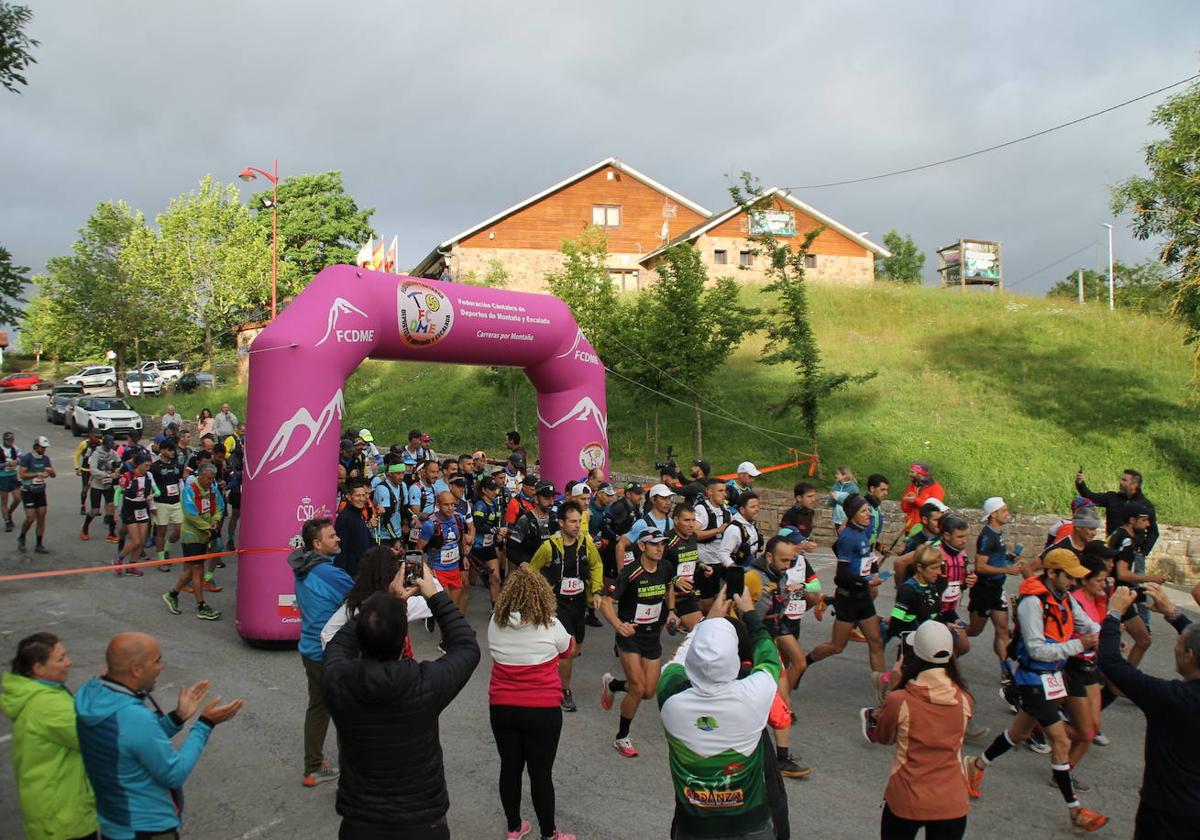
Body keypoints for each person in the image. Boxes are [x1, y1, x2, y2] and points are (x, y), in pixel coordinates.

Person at [322, 565, 481, 840]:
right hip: (422, 821)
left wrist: (380, 605)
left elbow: (337, 644)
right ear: (401, 642)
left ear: (361, 637)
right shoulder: (424, 683)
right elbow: (466, 646)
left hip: (360, 821)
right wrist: (435, 595)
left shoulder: (338, 681)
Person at [964, 549, 1107, 834]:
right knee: (1060, 741)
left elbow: (1087, 625)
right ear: (1052, 573)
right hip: (1032, 679)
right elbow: (1036, 649)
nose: (1074, 583)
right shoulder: (1032, 602)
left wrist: (1103, 637)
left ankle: (975, 765)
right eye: (1070, 577)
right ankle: (1075, 810)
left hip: (1052, 677)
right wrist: (1080, 645)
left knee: (1018, 733)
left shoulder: (1064, 597)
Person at [75, 632, 243, 840]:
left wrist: (177, 717)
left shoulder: (91, 694)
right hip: (147, 828)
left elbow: (128, 743)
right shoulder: (134, 718)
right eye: (157, 661)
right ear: (136, 669)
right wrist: (205, 724)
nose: (162, 666)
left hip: (114, 824)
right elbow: (174, 773)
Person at [657, 584, 781, 840]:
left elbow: (679, 658)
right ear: (735, 660)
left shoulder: (670, 695)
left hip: (694, 827)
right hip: (751, 824)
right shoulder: (755, 694)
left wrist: (707, 620)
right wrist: (749, 611)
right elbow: (768, 653)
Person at [1100, 583, 1200, 839]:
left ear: (1188, 656)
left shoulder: (1171, 699)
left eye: (1178, 645)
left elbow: (1111, 663)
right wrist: (1172, 613)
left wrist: (1113, 613)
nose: (1174, 648)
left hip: (1166, 813)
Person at [487, 567, 576, 840]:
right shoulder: (550, 623)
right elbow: (568, 650)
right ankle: (549, 834)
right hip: (542, 709)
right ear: (541, 594)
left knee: (509, 768)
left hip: (502, 707)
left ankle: (514, 827)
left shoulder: (495, 622)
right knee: (541, 774)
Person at [864, 621, 973, 840]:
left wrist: (894, 688)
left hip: (907, 799)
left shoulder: (900, 700)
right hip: (952, 800)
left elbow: (884, 738)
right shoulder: (964, 699)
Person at [1, 632, 98, 840]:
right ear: (38, 668)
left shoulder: (37, 693)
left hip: (46, 805)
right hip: (64, 815)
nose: (69, 663)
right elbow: (97, 739)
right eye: (61, 658)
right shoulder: (48, 706)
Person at [745, 534, 820, 779]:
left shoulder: (781, 575)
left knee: (783, 700)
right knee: (761, 701)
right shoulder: (752, 577)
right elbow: (728, 606)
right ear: (768, 557)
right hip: (749, 647)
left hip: (769, 642)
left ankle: (781, 758)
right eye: (784, 560)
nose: (788, 565)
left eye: (791, 561)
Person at [600, 527, 675, 758]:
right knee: (638, 687)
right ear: (642, 546)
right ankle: (622, 737)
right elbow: (605, 602)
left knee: (649, 692)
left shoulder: (665, 567)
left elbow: (669, 586)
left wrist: (671, 610)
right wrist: (618, 625)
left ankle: (612, 685)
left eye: (662, 544)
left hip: (652, 637)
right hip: (630, 635)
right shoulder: (630, 573)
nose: (659, 549)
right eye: (654, 544)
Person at [289, 517, 353, 788]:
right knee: (346, 714)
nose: (337, 539)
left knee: (318, 707)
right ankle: (352, 776)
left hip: (310, 649)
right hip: (331, 653)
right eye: (331, 536)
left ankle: (312, 767)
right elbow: (364, 595)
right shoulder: (330, 574)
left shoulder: (303, 564)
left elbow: (297, 549)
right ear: (316, 544)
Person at [528, 500, 602, 713]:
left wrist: (596, 591)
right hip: (556, 604)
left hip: (578, 603)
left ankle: (550, 668)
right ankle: (564, 690)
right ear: (561, 523)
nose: (577, 526)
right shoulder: (548, 547)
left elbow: (596, 565)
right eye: (572, 522)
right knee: (568, 650)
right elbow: (532, 571)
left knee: (576, 649)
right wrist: (539, 597)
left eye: (579, 521)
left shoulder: (586, 543)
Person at [806, 494, 886, 685]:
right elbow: (841, 576)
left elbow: (864, 562)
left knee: (876, 642)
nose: (869, 515)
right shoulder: (848, 538)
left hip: (863, 597)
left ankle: (883, 688)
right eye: (864, 511)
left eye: (868, 510)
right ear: (853, 515)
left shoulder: (863, 532)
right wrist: (866, 582)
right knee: (836, 646)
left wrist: (876, 566)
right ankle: (803, 662)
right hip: (848, 599)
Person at [967, 497, 1024, 683]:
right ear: (993, 514)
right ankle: (945, 639)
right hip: (984, 590)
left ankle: (1006, 670)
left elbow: (994, 557)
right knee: (974, 630)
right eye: (1004, 511)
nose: (1008, 514)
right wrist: (1008, 569)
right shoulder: (987, 536)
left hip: (997, 588)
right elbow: (981, 567)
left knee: (1002, 629)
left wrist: (1008, 557)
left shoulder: (997, 533)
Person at [162, 464, 225, 620]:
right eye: (208, 478)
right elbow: (191, 514)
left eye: (212, 479)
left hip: (205, 534)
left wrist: (215, 520)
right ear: (200, 476)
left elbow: (219, 507)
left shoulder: (212, 489)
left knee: (191, 570)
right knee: (197, 569)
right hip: (192, 535)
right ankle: (201, 605)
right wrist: (207, 527)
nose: (211, 481)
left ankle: (172, 594)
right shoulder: (189, 490)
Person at [1108, 501, 1161, 667]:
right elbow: (1122, 573)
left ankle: (1123, 678)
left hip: (1117, 594)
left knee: (1143, 639)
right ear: (1132, 520)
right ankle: (1124, 679)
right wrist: (1151, 579)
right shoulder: (1127, 541)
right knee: (1143, 640)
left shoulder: (1118, 533)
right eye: (1144, 520)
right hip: (1117, 596)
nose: (1148, 524)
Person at [1075, 466, 1158, 552]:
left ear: (1134, 485)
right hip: (1112, 549)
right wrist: (1080, 483)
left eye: (1124, 480)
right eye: (1121, 479)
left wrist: (1143, 552)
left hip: (1133, 552)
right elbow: (1089, 496)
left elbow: (1153, 532)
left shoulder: (1146, 505)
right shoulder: (1112, 498)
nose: (1121, 482)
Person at [416, 491, 471, 612]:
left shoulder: (458, 519)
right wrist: (426, 569)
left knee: (454, 609)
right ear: (438, 504)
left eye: (452, 504)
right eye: (446, 504)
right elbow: (418, 549)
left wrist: (464, 556)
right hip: (437, 569)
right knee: (446, 608)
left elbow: (460, 539)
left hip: (454, 568)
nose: (450, 508)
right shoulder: (430, 524)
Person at [114, 455, 156, 577]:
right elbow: (118, 492)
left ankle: (132, 565)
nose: (148, 468)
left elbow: (156, 490)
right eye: (146, 465)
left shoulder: (149, 476)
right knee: (136, 540)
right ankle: (119, 559)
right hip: (130, 508)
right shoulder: (128, 476)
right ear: (138, 464)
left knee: (141, 541)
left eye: (149, 465)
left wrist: (153, 496)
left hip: (143, 508)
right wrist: (116, 509)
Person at [470, 475, 507, 606]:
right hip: (476, 547)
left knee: (496, 578)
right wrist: (496, 531)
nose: (494, 492)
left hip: (489, 547)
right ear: (484, 490)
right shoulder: (480, 505)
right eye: (491, 489)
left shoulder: (495, 504)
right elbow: (478, 524)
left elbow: (496, 524)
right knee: (469, 582)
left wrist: (499, 535)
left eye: (496, 489)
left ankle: (495, 608)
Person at [149, 441, 185, 573]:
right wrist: (152, 504)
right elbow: (150, 486)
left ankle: (166, 548)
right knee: (161, 532)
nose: (172, 452)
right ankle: (161, 560)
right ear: (162, 450)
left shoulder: (177, 466)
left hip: (176, 502)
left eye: (173, 450)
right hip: (161, 503)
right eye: (170, 450)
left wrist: (183, 499)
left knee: (180, 529)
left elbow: (180, 481)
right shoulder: (154, 467)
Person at [17, 435, 55, 554]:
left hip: (40, 490)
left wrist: (50, 472)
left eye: (45, 448)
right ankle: (22, 536)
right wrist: (37, 474)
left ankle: (39, 544)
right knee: (30, 517)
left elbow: (52, 474)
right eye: (42, 447)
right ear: (36, 446)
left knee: (41, 516)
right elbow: (22, 474)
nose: (44, 450)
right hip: (28, 490)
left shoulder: (45, 459)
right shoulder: (27, 458)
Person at [507, 480, 558, 567]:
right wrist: (522, 563)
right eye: (547, 498)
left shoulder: (556, 518)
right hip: (533, 572)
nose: (551, 502)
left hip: (554, 572)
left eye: (553, 498)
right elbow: (511, 549)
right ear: (536, 499)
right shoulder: (525, 520)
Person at [82, 435, 121, 543]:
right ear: (104, 445)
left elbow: (119, 462)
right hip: (97, 485)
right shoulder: (96, 453)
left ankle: (111, 533)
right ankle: (85, 528)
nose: (109, 448)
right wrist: (107, 475)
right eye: (108, 446)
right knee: (95, 510)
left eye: (111, 446)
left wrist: (116, 469)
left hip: (108, 485)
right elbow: (93, 470)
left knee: (111, 507)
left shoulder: (112, 452)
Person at [335, 481, 377, 579]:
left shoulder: (359, 515)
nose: (362, 499)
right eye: (358, 496)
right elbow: (341, 549)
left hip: (362, 572)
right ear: (349, 497)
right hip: (351, 575)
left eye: (364, 495)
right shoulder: (345, 518)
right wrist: (342, 576)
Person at [718, 491, 763, 568]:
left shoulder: (750, 524)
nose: (757, 509)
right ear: (742, 510)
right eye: (752, 507)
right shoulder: (734, 529)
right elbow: (723, 554)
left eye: (757, 506)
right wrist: (736, 570)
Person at [899, 462, 944, 531]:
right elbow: (905, 509)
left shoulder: (936, 488)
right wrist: (907, 501)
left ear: (920, 473)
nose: (909, 474)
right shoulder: (912, 486)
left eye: (912, 472)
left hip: (926, 530)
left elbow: (935, 509)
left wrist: (916, 500)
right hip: (910, 528)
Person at [0, 430, 22, 529]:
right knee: (4, 500)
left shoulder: (15, 449)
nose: (10, 442)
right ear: (4, 440)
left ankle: (9, 513)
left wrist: (16, 462)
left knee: (17, 498)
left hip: (13, 476)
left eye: (11, 440)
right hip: (2, 476)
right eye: (8, 440)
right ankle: (7, 521)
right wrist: (6, 464)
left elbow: (23, 459)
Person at [74, 432, 99, 517]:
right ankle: (83, 506)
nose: (97, 439)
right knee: (85, 488)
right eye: (96, 437)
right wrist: (77, 467)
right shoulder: (84, 444)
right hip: (86, 469)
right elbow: (76, 455)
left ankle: (94, 508)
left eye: (98, 437)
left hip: (95, 469)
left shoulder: (100, 443)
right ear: (91, 436)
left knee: (96, 489)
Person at [829, 465, 859, 533]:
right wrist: (831, 499)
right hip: (837, 519)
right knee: (841, 539)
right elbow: (831, 504)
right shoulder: (835, 487)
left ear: (844, 475)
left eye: (837, 474)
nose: (836, 475)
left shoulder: (853, 488)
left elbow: (854, 505)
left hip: (848, 520)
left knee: (846, 540)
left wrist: (838, 498)